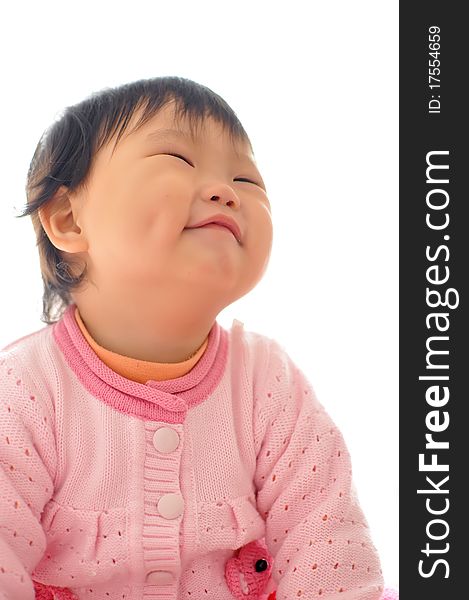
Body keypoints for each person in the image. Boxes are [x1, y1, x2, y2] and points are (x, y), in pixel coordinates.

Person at [0, 76, 396, 599]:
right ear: (69, 219)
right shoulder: (24, 391)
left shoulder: (267, 381)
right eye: (177, 159)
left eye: (247, 180)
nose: (225, 191)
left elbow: (326, 542)